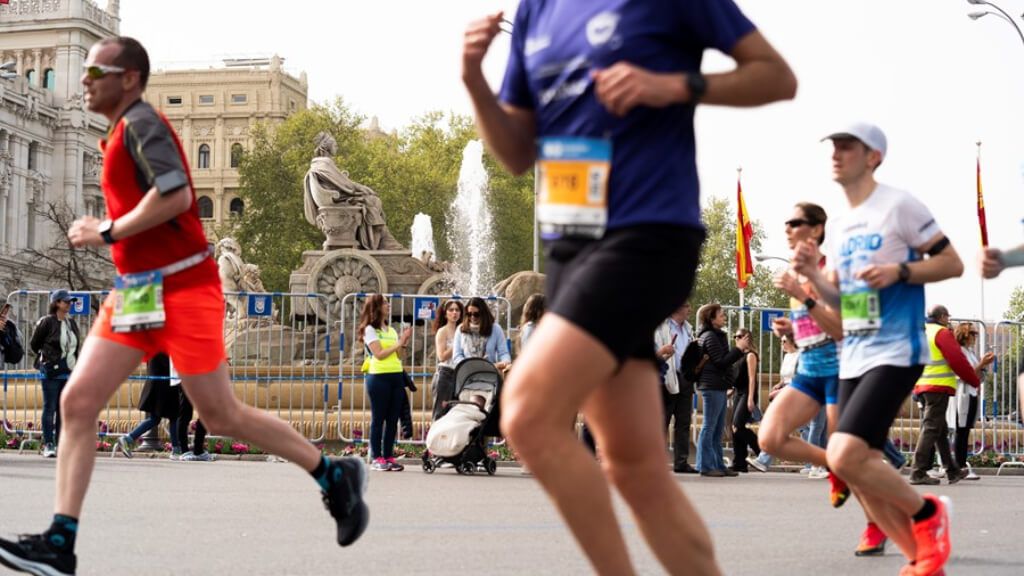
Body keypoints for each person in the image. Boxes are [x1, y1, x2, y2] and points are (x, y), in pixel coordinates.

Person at [0, 37, 368, 576]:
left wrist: (107, 229)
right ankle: (61, 542)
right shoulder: (120, 132)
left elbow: (174, 193)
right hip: (139, 289)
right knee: (78, 402)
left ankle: (332, 473)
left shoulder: (143, 124)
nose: (83, 80)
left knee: (219, 415)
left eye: (96, 71)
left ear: (128, 79)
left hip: (183, 287)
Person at [464, 0, 796, 571]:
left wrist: (673, 85)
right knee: (635, 466)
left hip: (646, 234)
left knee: (527, 416)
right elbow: (517, 154)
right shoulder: (537, 9)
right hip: (571, 248)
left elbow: (776, 76)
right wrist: (474, 79)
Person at [794, 122, 962, 576]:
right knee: (858, 465)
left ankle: (928, 513)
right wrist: (814, 276)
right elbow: (845, 303)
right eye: (833, 146)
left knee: (843, 454)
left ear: (873, 157)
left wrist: (899, 272)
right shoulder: (840, 225)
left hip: (896, 350)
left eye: (847, 146)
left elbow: (952, 263)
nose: (836, 153)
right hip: (855, 352)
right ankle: (923, 559)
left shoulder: (899, 206)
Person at [758, 202, 847, 501]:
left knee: (850, 453)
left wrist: (801, 297)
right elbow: (813, 326)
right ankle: (835, 465)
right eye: (786, 223)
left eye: (795, 222)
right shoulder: (794, 275)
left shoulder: (831, 272)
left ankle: (910, 513)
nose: (787, 228)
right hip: (808, 368)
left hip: (838, 369)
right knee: (770, 439)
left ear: (817, 229)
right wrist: (790, 330)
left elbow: (839, 329)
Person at [909, 306, 980, 486]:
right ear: (941, 317)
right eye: (947, 316)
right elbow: (956, 359)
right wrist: (973, 380)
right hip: (937, 387)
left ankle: (952, 470)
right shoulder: (941, 333)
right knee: (931, 428)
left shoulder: (921, 331)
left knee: (940, 430)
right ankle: (917, 472)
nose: (948, 320)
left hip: (922, 386)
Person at [695, 304, 750, 478]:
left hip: (718, 385)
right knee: (709, 426)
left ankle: (718, 464)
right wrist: (738, 348)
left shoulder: (716, 335)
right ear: (711, 319)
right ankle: (705, 465)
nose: (724, 317)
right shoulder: (710, 336)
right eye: (721, 315)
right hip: (711, 386)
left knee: (717, 428)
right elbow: (720, 361)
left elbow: (723, 362)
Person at [360, 294, 412, 472]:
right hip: (378, 376)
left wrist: (403, 343)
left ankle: (388, 455)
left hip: (395, 375)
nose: (388, 305)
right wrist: (399, 343)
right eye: (384, 303)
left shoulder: (391, 330)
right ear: (376, 307)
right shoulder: (369, 330)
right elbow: (379, 354)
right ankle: (376, 457)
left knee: (392, 419)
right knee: (378, 418)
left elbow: (398, 355)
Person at [29, 290, 82, 459]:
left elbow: (76, 345)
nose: (69, 304)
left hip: (69, 370)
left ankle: (61, 443)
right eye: (66, 301)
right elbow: (34, 344)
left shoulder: (71, 323)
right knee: (50, 407)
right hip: (51, 371)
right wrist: (48, 358)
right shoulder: (47, 322)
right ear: (57, 303)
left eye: (70, 301)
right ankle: (49, 444)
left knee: (63, 409)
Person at [655, 302, 697, 474]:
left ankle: (681, 462)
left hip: (685, 377)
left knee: (684, 422)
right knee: (662, 421)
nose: (690, 309)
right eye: (687, 306)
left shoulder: (688, 328)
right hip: (667, 378)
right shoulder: (661, 326)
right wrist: (663, 350)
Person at [114, 353, 180, 458]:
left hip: (157, 384)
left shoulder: (155, 348)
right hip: (164, 385)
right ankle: (176, 449)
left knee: (155, 419)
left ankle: (128, 438)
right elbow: (169, 364)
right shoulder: (163, 348)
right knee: (173, 416)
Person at [949, 322, 992, 480]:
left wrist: (983, 367)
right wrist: (981, 364)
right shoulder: (959, 352)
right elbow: (965, 374)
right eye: (972, 334)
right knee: (961, 430)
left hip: (972, 393)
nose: (975, 337)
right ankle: (958, 465)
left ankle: (960, 465)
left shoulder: (970, 352)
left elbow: (975, 375)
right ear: (964, 335)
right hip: (962, 394)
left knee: (965, 430)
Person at [751, 333, 799, 471]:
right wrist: (779, 384)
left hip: (793, 393)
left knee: (777, 425)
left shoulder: (800, 356)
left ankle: (763, 460)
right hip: (786, 392)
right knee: (805, 429)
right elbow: (785, 377)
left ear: (792, 342)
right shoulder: (787, 356)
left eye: (784, 341)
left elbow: (798, 379)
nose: (781, 344)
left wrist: (782, 390)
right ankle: (814, 464)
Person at [728, 328, 761, 473]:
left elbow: (752, 379)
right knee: (735, 427)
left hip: (747, 392)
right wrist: (732, 390)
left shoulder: (750, 355)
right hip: (738, 392)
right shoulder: (738, 355)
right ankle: (739, 462)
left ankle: (762, 452)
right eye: (735, 336)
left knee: (737, 425)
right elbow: (737, 377)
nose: (737, 338)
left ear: (747, 338)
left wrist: (750, 399)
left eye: (740, 336)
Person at [452, 297, 511, 370]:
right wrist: (469, 366)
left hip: (489, 371)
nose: (472, 317)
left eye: (476, 314)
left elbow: (504, 353)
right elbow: (457, 356)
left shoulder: (495, 329)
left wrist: (504, 363)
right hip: (467, 372)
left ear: (483, 313)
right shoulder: (461, 329)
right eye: (469, 314)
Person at [431, 299, 464, 421]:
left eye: (457, 310)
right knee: (440, 413)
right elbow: (441, 356)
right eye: (451, 310)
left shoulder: (462, 331)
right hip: (445, 374)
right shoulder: (442, 331)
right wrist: (457, 343)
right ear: (445, 314)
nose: (454, 312)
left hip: (460, 374)